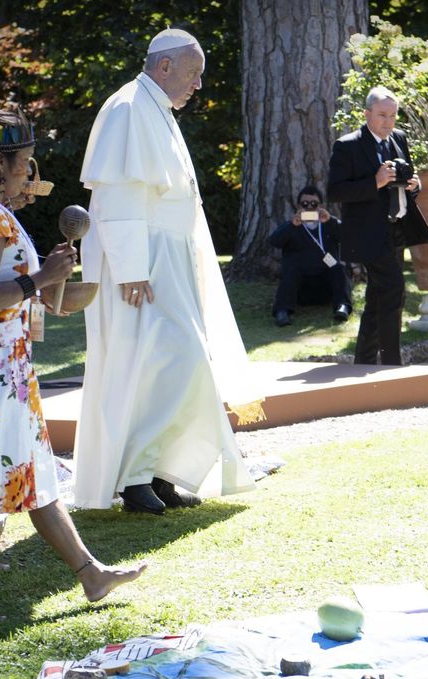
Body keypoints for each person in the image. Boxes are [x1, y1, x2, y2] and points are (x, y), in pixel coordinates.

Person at [0, 110, 146, 625]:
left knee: (31, 476)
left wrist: (45, 286)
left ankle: (91, 574)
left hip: (0, 370)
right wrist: (40, 278)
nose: (30, 171)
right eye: (24, 161)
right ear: (0, 163)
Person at [74, 29, 257, 514]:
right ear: (165, 66)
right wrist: (132, 267)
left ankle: (160, 472)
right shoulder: (129, 107)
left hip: (167, 260)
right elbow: (118, 195)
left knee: (178, 365)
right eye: (194, 74)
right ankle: (134, 479)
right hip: (140, 265)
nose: (199, 86)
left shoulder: (155, 108)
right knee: (154, 364)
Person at [327, 86, 428, 365]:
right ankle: (391, 362)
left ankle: (363, 360)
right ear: (367, 114)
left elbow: (407, 180)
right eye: (382, 115)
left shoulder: (398, 138)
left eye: (393, 115)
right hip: (366, 235)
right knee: (395, 288)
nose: (388, 121)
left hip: (396, 229)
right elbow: (335, 192)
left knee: (378, 296)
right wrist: (373, 182)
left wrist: (415, 184)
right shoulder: (348, 145)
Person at [267, 185, 351, 326]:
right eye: (305, 204)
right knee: (290, 270)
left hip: (325, 286)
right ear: (298, 206)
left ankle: (342, 306)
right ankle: (282, 311)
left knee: (338, 268)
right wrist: (292, 226)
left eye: (314, 204)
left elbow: (348, 238)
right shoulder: (291, 226)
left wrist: (330, 221)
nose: (309, 208)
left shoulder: (330, 223)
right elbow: (274, 241)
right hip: (299, 288)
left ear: (321, 206)